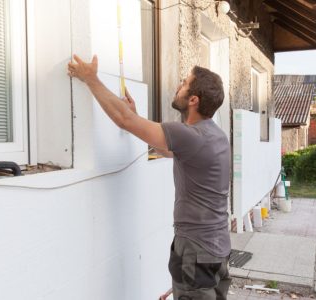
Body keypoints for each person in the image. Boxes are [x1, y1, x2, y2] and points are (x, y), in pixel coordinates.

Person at [68, 55, 231, 300]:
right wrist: (136, 118)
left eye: (184, 83)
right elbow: (166, 148)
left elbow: (124, 120)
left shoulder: (190, 135)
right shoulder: (215, 136)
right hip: (218, 247)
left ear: (193, 100)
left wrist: (91, 78)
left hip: (197, 250)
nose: (178, 87)